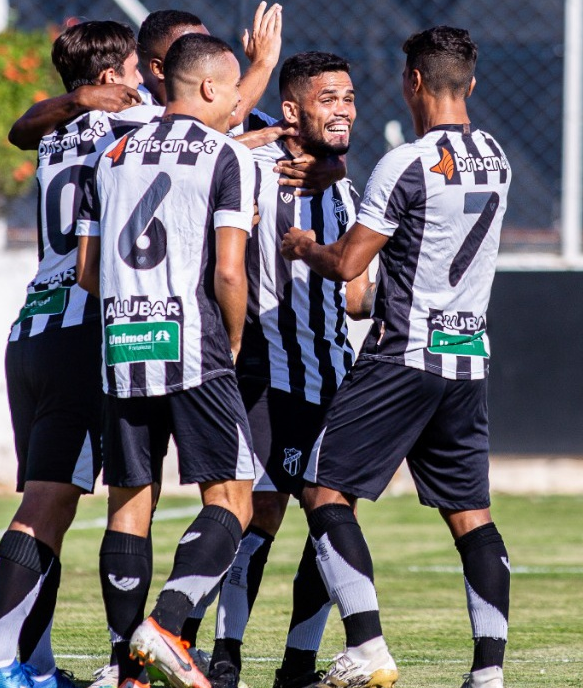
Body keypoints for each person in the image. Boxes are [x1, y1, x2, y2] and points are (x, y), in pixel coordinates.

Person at [280, 26, 513, 688]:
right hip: (467, 354)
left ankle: (367, 645)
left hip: (402, 354)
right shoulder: (497, 158)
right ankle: (488, 672)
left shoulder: (404, 162)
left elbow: (350, 265)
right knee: (472, 516)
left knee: (324, 490)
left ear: (413, 82)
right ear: (470, 83)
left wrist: (303, 246)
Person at [0, 20, 148, 688]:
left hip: (33, 329)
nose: (142, 80)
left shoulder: (56, 130)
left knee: (50, 507)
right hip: (79, 331)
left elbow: (21, 124)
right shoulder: (132, 124)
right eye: (133, 70)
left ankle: (30, 663)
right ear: (108, 79)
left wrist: (76, 102)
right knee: (45, 506)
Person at [76, 32, 259, 688]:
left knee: (129, 503)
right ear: (209, 87)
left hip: (122, 344)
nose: (240, 100)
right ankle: (168, 621)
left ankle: (126, 669)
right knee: (234, 497)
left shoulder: (112, 152)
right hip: (195, 344)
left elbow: (89, 273)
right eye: (236, 86)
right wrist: (233, 341)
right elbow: (231, 273)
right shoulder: (225, 156)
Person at [196, 51, 372, 688]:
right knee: (258, 514)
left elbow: (354, 295)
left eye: (349, 98)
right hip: (267, 373)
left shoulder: (346, 184)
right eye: (328, 98)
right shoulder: (250, 167)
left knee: (331, 520)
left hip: (334, 375)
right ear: (293, 109)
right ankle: (226, 653)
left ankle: (299, 660)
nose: (344, 109)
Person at [8, 4, 282, 150]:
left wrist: (323, 165)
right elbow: (226, 121)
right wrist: (263, 63)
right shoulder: (129, 114)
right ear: (158, 68)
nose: (206, 55)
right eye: (192, 51)